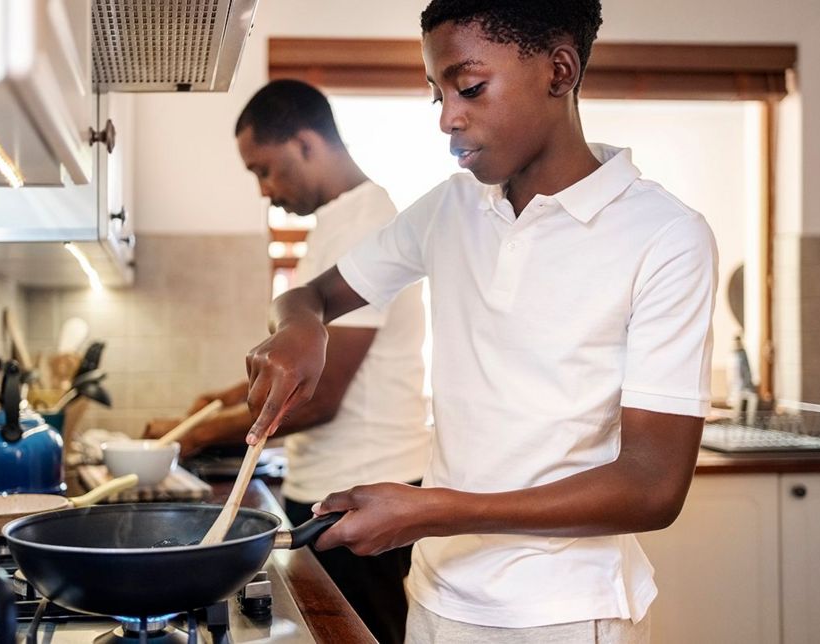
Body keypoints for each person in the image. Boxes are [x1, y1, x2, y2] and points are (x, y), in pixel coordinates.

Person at [241, 1, 718, 643]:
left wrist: (433, 511)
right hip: (437, 602)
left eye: (469, 88)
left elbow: (653, 486)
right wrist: (303, 325)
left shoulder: (666, 236)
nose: (447, 118)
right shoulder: (452, 208)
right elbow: (311, 296)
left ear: (560, 70)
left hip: (567, 616)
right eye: (435, 94)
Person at [144, 79, 430, 644]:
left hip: (367, 489)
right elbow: (304, 359)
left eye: (264, 169)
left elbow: (320, 396)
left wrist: (198, 438)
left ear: (306, 143)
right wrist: (223, 401)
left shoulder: (364, 221)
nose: (264, 189)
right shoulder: (338, 221)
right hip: (332, 483)